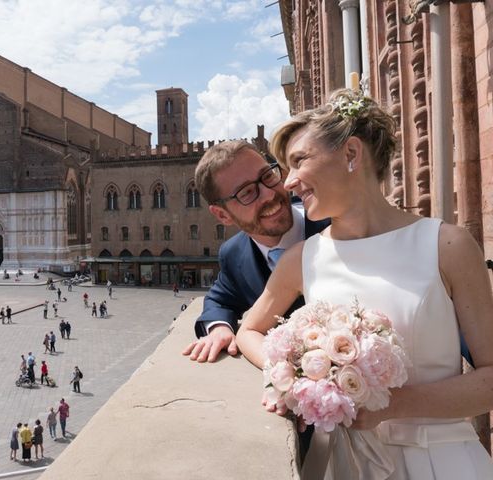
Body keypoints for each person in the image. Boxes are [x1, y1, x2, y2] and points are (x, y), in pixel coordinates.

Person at [236, 89, 493, 478]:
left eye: (299, 161)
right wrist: (295, 379)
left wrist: (393, 405)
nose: (288, 183)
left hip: (440, 462)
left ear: (351, 154)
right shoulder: (301, 259)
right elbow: (249, 331)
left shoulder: (448, 246)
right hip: (340, 465)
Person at [182, 139, 329, 363]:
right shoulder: (234, 253)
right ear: (223, 215)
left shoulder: (333, 223)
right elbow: (220, 300)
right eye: (247, 192)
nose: (269, 194)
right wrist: (219, 327)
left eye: (268, 176)